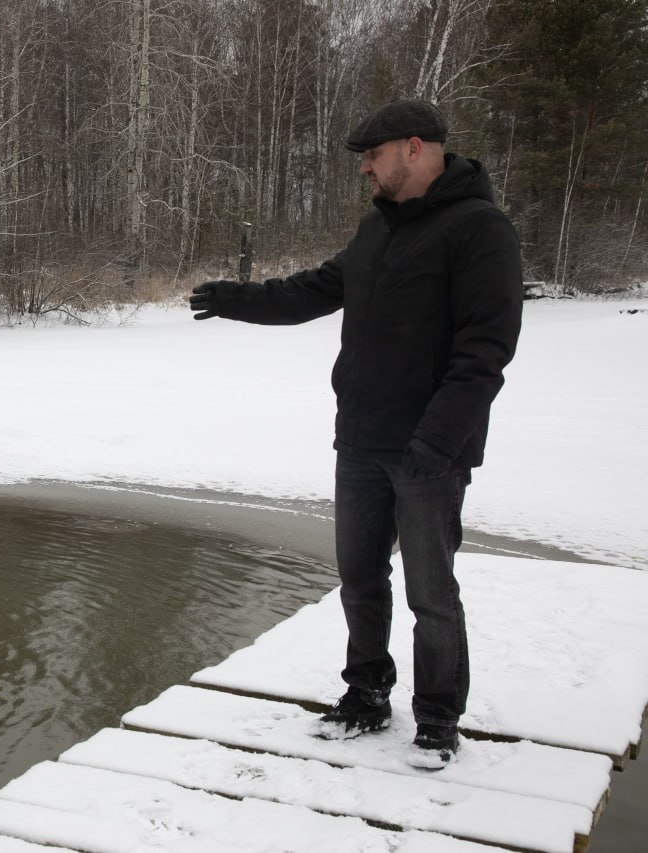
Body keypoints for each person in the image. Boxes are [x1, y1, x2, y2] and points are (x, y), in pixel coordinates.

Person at [189, 98, 523, 769]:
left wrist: (437, 444)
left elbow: (484, 352)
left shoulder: (480, 229)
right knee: (360, 580)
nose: (364, 170)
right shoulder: (380, 230)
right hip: (362, 440)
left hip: (430, 450)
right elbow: (313, 290)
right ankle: (366, 695)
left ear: (412, 147)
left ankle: (437, 718)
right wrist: (235, 298)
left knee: (431, 591)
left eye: (370, 156)